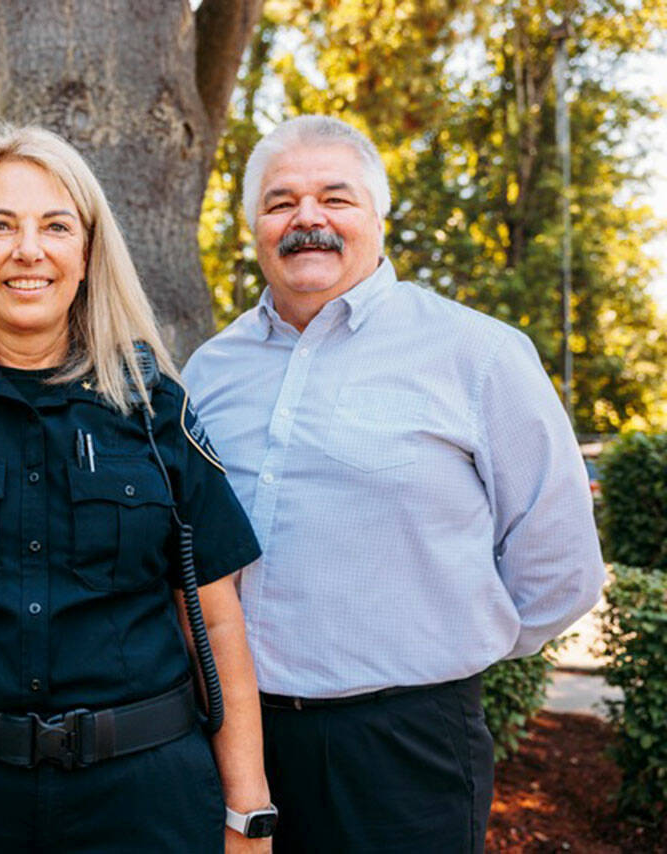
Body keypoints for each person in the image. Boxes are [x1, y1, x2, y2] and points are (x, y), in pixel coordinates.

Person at [0, 126, 275, 853]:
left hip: (140, 805)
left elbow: (217, 620)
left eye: (55, 226)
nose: (27, 250)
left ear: (89, 253)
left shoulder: (156, 406)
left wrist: (247, 810)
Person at [183, 114, 605, 853]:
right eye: (281, 201)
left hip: (408, 751)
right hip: (232, 740)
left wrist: (442, 651)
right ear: (254, 224)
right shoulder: (210, 372)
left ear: (378, 214)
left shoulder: (479, 355)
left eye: (335, 198)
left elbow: (560, 567)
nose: (306, 218)